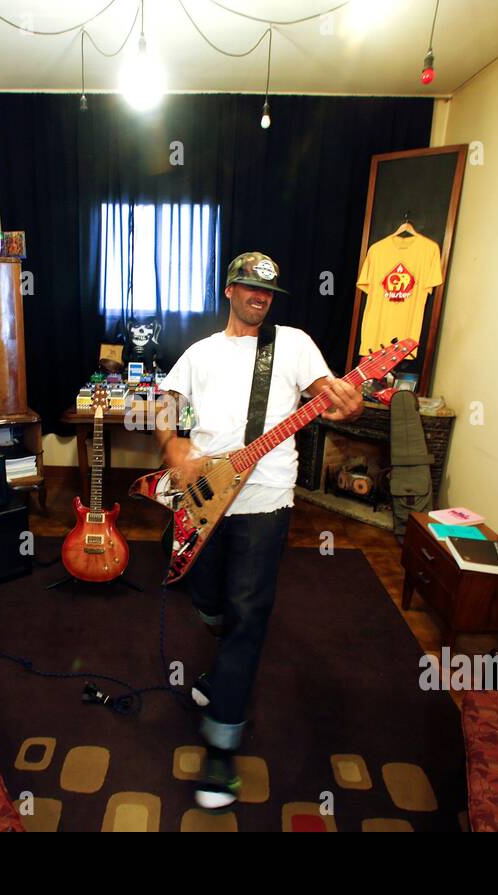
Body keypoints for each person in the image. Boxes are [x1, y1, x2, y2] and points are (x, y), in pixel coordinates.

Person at [155, 252, 364, 809]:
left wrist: (345, 399)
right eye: (249, 287)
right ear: (230, 289)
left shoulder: (292, 344)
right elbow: (165, 403)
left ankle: (220, 748)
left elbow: (328, 390)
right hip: (205, 502)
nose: (259, 297)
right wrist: (175, 443)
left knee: (248, 616)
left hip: (267, 500)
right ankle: (224, 668)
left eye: (267, 291)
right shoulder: (199, 353)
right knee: (206, 603)